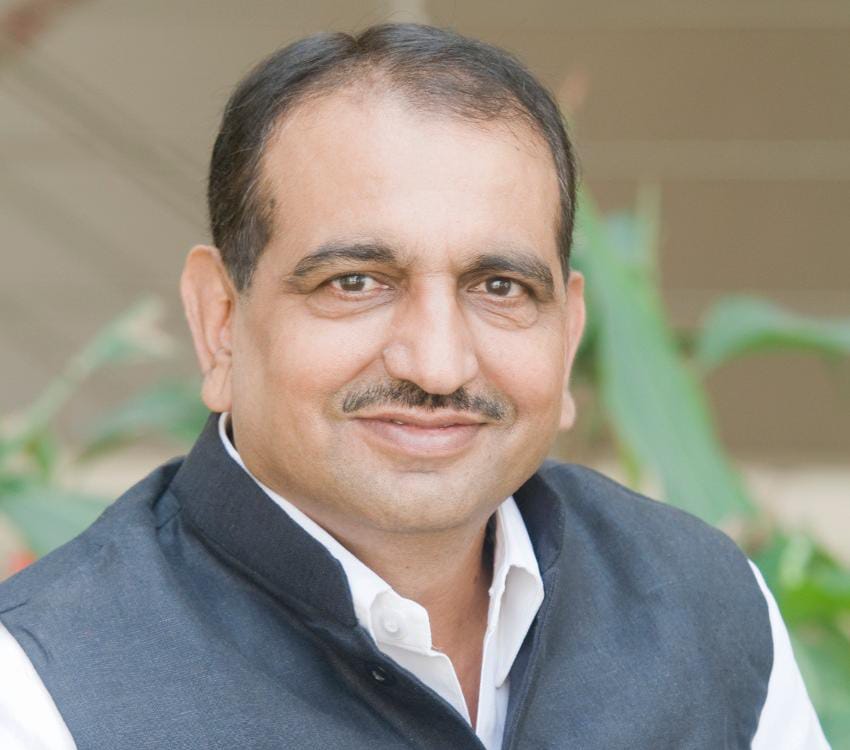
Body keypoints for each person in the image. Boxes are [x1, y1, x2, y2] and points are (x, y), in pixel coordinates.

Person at [0, 23, 829, 750]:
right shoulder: (42, 696)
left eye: (500, 287)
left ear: (568, 333)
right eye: (356, 282)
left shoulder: (704, 610)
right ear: (220, 321)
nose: (437, 364)